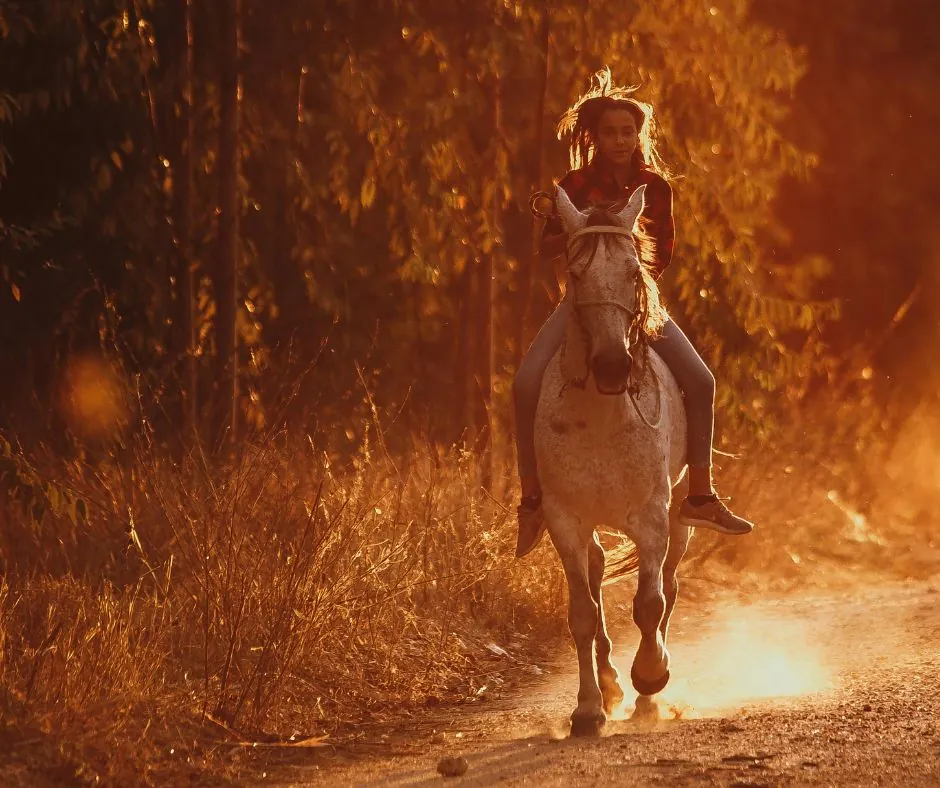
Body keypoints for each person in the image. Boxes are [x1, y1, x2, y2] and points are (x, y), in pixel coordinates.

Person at [513, 68, 754, 559]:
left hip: (638, 300)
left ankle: (700, 495)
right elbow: (547, 249)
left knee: (702, 381)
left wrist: (625, 273)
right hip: (581, 303)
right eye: (610, 132)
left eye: (628, 132)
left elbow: (662, 253)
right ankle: (533, 499)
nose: (620, 140)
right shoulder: (574, 184)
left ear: (637, 135)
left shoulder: (656, 187)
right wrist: (584, 234)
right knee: (524, 382)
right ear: (595, 137)